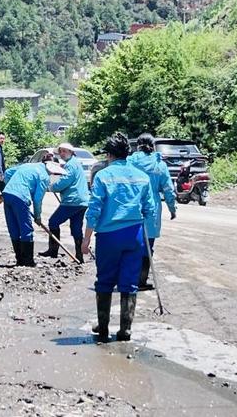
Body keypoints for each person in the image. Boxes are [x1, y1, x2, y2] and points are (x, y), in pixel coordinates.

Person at [82, 132, 155, 343]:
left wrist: (86, 239)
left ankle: (103, 328)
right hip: (135, 235)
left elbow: (94, 209)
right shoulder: (142, 177)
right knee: (130, 282)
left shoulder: (103, 176)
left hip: (108, 236)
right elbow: (149, 209)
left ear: (109, 154)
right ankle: (125, 330)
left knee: (105, 281)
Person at [127, 133, 176, 290]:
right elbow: (168, 189)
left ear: (138, 145)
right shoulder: (159, 165)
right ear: (153, 146)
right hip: (152, 207)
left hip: (131, 205)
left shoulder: (129, 162)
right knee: (148, 245)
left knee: (130, 243)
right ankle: (141, 281)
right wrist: (172, 208)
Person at [2, 159, 66, 267]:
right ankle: (27, 261)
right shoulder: (44, 177)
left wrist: (12, 186)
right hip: (20, 198)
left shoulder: (28, 165)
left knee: (14, 228)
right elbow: (37, 199)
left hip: (7, 194)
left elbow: (7, 173)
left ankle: (19, 260)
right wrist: (37, 216)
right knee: (26, 229)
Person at [41, 143, 89, 263]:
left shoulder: (71, 165)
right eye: (61, 151)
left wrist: (51, 187)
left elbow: (64, 181)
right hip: (82, 201)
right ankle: (79, 255)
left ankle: (53, 250)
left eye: (64, 151)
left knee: (53, 222)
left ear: (71, 152)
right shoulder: (76, 163)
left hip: (72, 200)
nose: (62, 154)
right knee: (76, 228)